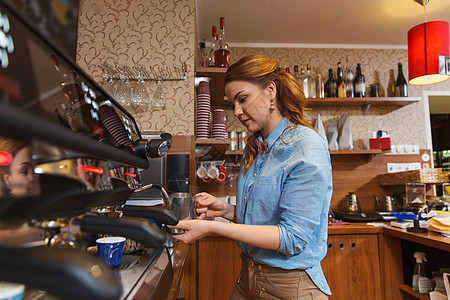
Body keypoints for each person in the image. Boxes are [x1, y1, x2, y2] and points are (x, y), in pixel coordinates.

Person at [170, 55, 332, 299]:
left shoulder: (306, 146)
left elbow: (291, 238)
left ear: (270, 91)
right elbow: (265, 220)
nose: (236, 111)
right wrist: (225, 210)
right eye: (233, 103)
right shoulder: (256, 148)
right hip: (248, 277)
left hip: (289, 286)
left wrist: (212, 229)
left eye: (242, 99)